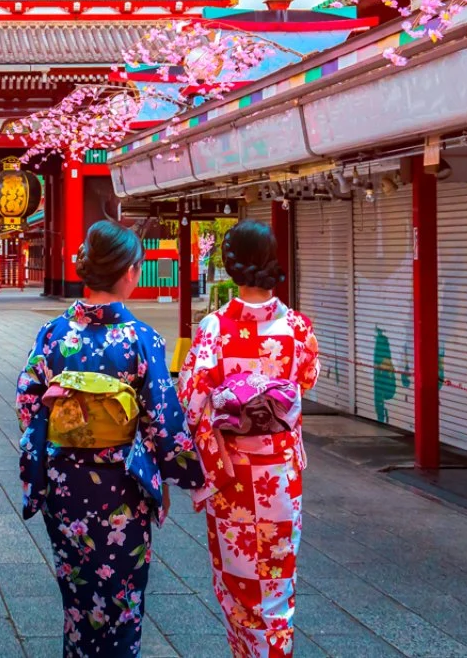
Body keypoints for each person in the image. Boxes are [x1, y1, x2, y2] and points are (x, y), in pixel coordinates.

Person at [15, 221, 204, 656]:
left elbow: (28, 403)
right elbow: (163, 418)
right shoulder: (140, 338)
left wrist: (56, 412)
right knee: (121, 600)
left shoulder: (54, 335)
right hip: (121, 486)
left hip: (65, 484)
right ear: (129, 272)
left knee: (78, 596)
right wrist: (188, 477)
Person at [177, 220, 320, 658]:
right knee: (277, 584)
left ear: (230, 263)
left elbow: (190, 397)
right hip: (279, 475)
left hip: (233, 475)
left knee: (238, 584)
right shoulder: (297, 327)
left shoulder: (214, 329)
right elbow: (307, 381)